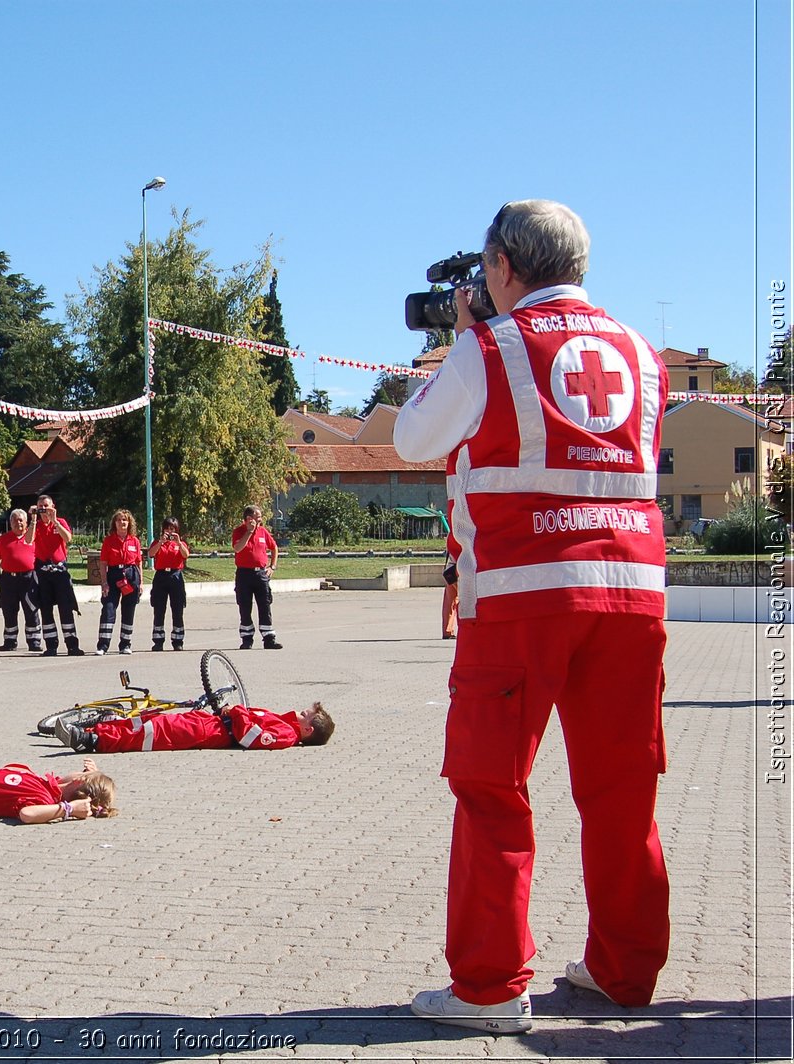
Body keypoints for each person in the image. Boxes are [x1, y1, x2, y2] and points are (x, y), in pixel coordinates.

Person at [393, 200, 671, 1033]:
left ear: (504, 268)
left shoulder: (491, 348)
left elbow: (413, 439)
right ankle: (623, 973)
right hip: (630, 596)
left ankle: (488, 989)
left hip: (520, 598)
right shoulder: (644, 355)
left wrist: (457, 344)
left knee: (491, 787)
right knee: (624, 789)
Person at [54, 702, 334, 754]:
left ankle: (91, 743)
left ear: (308, 730)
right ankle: (94, 732)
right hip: (210, 723)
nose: (303, 711)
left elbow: (250, 738)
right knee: (150, 721)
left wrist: (235, 711)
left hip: (212, 734)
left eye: (308, 714)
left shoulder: (285, 735)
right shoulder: (285, 722)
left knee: (153, 735)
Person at [30, 495, 83, 656]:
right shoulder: (36, 525)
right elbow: (28, 540)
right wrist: (32, 519)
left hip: (59, 572)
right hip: (43, 572)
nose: (43, 509)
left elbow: (67, 538)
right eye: (40, 506)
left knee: (66, 609)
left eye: (46, 505)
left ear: (53, 506)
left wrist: (55, 521)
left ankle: (72, 645)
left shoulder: (60, 522)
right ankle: (51, 645)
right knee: (46, 609)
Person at [0, 507, 41, 652]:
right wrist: (0, 579)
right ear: (10, 522)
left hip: (28, 579)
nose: (17, 523)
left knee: (31, 609)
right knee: (9, 611)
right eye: (14, 520)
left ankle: (34, 640)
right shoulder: (3, 539)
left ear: (26, 522)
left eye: (20, 520)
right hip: (8, 580)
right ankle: (10, 641)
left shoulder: (33, 536)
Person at [231, 505, 281, 650]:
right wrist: (248, 533)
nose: (260, 520)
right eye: (257, 517)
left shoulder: (263, 532)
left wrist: (272, 566)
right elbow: (237, 548)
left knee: (265, 605)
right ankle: (247, 639)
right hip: (244, 574)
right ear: (248, 519)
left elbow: (274, 547)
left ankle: (269, 639)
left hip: (261, 574)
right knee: (245, 606)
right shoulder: (238, 532)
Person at [94, 508, 143, 655]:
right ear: (114, 523)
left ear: (129, 523)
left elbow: (139, 562)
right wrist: (104, 583)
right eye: (119, 519)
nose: (122, 522)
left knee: (129, 610)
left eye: (125, 520)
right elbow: (103, 563)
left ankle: (125, 644)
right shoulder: (109, 541)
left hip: (131, 575)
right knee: (108, 609)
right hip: (114, 575)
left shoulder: (134, 541)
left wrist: (140, 583)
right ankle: (103, 645)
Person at [147, 516, 190, 652]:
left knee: (177, 609)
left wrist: (179, 543)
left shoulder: (180, 543)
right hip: (161, 576)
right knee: (159, 609)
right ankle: (158, 641)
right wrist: (160, 542)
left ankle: (178, 640)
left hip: (175, 575)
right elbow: (151, 554)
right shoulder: (158, 542)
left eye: (173, 529)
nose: (170, 531)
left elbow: (185, 555)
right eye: (167, 528)